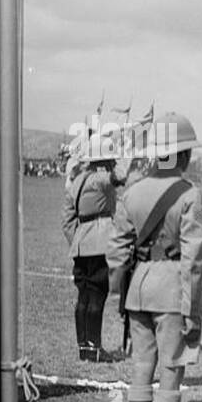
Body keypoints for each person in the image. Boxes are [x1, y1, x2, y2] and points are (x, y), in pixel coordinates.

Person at [107, 112, 202, 402]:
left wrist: (121, 294)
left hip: (138, 290)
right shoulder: (190, 194)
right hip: (171, 289)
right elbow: (193, 260)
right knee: (171, 367)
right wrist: (192, 308)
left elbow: (117, 252)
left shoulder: (131, 191)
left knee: (141, 367)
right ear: (182, 155)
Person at [63, 135, 124, 362]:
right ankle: (95, 349)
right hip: (101, 245)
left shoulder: (77, 181)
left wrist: (79, 240)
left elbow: (66, 220)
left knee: (84, 296)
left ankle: (84, 348)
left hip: (81, 246)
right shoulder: (101, 179)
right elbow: (120, 177)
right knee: (97, 295)